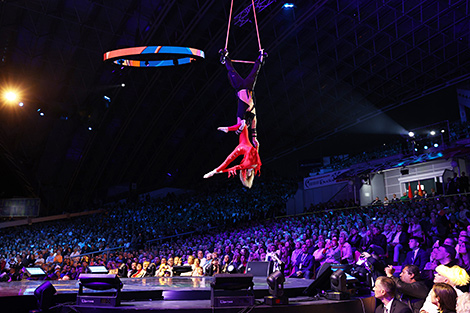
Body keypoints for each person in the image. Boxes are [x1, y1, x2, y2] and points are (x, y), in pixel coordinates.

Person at [218, 48, 267, 150]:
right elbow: (255, 139)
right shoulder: (253, 117)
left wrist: (228, 128)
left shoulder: (240, 116)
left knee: (232, 71)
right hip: (249, 87)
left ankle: (225, 57)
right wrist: (256, 147)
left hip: (239, 87)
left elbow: (237, 126)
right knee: (255, 72)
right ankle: (260, 58)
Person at [203, 116, 261, 188]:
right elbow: (256, 153)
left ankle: (236, 128)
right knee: (243, 127)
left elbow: (230, 168)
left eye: (247, 174)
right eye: (249, 174)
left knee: (227, 160)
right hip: (246, 146)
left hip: (243, 146)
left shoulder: (245, 166)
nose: (248, 173)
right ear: (250, 174)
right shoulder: (256, 165)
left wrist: (216, 172)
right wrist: (257, 145)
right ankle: (234, 128)